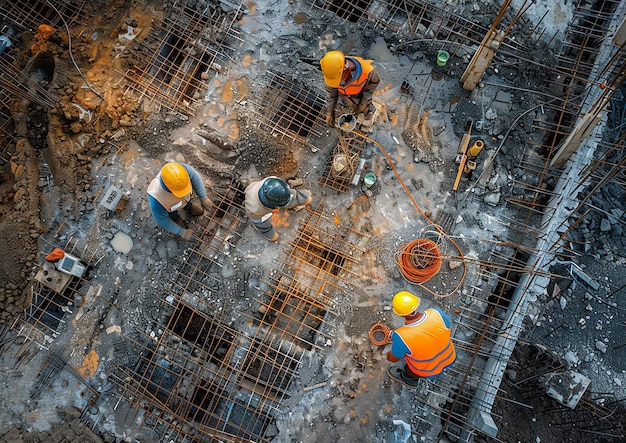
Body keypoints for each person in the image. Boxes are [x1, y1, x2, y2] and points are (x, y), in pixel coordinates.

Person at [386, 291, 456, 388]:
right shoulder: (437, 313)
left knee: (411, 368)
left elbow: (392, 359)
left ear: (400, 314)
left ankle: (410, 380)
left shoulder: (402, 337)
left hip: (428, 371)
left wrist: (389, 353)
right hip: (450, 357)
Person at [147, 162, 213, 241]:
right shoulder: (156, 199)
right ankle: (175, 218)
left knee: (184, 201)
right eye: (180, 192)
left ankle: (188, 206)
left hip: (184, 201)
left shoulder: (180, 171)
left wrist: (203, 198)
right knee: (172, 211)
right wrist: (180, 231)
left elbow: (196, 178)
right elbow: (162, 220)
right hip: (171, 208)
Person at [319, 49, 380, 130]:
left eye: (338, 80)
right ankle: (354, 111)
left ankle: (367, 117)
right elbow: (331, 91)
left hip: (359, 94)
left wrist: (363, 104)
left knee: (363, 108)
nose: (338, 83)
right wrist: (330, 111)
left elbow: (370, 89)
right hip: (344, 94)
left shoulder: (369, 71)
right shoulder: (332, 71)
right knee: (348, 105)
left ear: (345, 68)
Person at [244, 177, 312, 241]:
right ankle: (265, 229)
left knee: (289, 195)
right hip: (257, 206)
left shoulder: (273, 181)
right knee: (269, 232)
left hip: (266, 191)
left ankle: (297, 198)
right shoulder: (254, 209)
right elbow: (258, 219)